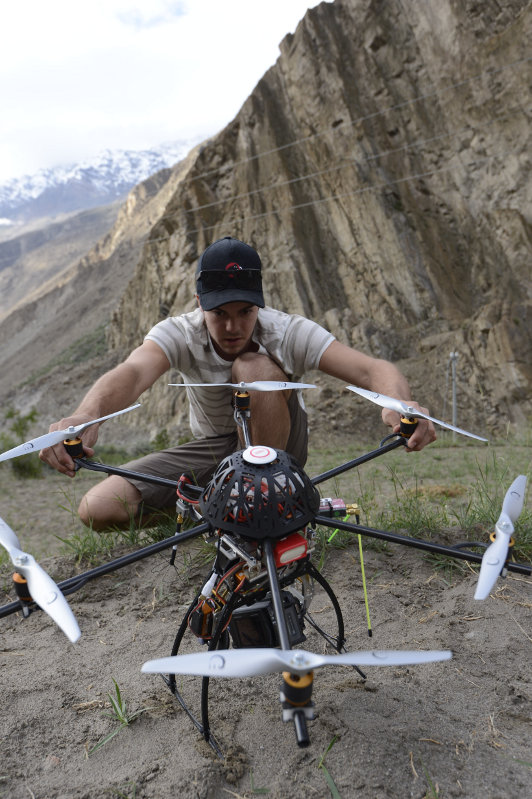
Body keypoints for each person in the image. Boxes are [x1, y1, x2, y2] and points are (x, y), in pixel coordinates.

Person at [39, 236, 436, 530]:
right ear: (199, 303)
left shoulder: (287, 332)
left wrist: (400, 404)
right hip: (216, 451)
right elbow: (132, 373)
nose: (232, 326)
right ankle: (216, 515)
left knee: (254, 369)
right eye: (219, 313)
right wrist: (88, 414)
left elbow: (372, 369)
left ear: (259, 302)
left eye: (245, 311)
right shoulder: (179, 333)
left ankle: (267, 500)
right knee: (99, 508)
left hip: (280, 451)